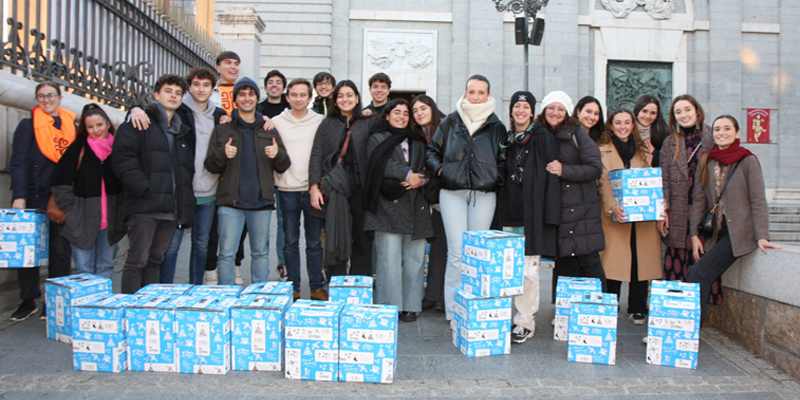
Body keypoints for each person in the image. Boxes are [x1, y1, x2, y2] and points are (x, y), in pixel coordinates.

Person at [425, 74, 507, 321]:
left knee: (478, 253)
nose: (476, 96)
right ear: (465, 93)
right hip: (452, 194)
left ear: (488, 95)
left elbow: (504, 161)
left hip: (483, 196)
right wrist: (443, 170)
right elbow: (431, 152)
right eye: (471, 91)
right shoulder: (450, 122)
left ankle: (475, 307)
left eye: (481, 92)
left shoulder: (497, 126)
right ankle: (454, 313)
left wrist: (493, 177)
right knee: (457, 253)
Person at [688, 115, 781, 315]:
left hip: (739, 232)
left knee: (699, 273)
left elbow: (758, 200)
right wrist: (694, 235)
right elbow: (699, 200)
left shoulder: (747, 160)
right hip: (716, 232)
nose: (721, 133)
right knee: (698, 273)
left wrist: (762, 236)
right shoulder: (707, 160)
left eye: (727, 129)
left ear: (737, 132)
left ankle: (690, 332)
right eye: (717, 129)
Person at [112, 74, 196, 294]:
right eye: (169, 91)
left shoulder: (181, 130)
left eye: (178, 93)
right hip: (145, 206)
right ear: (157, 95)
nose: (174, 96)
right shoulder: (139, 122)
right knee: (137, 259)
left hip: (170, 208)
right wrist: (144, 188)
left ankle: (148, 309)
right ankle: (129, 307)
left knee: (156, 259)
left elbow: (186, 171)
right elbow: (122, 159)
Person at [204, 77, 290, 286]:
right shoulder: (223, 129)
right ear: (235, 99)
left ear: (256, 97)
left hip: (261, 200)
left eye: (250, 94)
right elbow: (210, 165)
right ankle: (226, 296)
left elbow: (284, 164)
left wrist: (276, 154)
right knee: (226, 253)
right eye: (241, 94)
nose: (246, 98)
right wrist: (223, 154)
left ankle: (259, 295)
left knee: (260, 253)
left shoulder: (268, 128)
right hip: (230, 201)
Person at [153, 67, 228, 285]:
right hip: (182, 191)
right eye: (196, 84)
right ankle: (166, 288)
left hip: (209, 191)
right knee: (172, 246)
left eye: (206, 85)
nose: (201, 89)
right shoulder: (179, 112)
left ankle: (195, 289)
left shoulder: (219, 116)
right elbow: (153, 111)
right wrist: (135, 111)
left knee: (201, 244)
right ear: (189, 87)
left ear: (212, 88)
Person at [8, 81, 75, 321]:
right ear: (37, 99)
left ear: (60, 97)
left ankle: (53, 301)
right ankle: (28, 300)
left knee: (59, 251)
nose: (47, 100)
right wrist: (19, 196)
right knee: (27, 250)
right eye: (41, 96)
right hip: (34, 194)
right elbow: (18, 162)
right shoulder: (28, 126)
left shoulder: (71, 126)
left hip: (62, 196)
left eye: (51, 95)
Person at [497, 91, 560, 343]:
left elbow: (551, 176)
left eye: (526, 106)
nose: (521, 110)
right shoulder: (507, 138)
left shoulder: (542, 136)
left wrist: (549, 215)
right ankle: (502, 316)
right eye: (517, 106)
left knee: (528, 270)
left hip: (531, 213)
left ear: (532, 112)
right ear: (511, 111)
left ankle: (525, 321)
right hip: (507, 211)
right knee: (506, 268)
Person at [363, 99, 433, 322]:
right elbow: (379, 164)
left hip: (416, 205)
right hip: (386, 205)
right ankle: (390, 306)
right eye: (397, 112)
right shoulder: (377, 139)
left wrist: (420, 180)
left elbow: (428, 166)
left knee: (415, 259)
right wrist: (406, 175)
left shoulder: (418, 141)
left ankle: (411, 306)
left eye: (405, 113)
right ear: (387, 116)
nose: (402, 116)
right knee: (388, 260)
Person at [539, 91, 607, 305]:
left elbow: (595, 168)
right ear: (544, 110)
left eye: (560, 109)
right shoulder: (540, 133)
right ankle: (563, 309)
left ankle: (602, 307)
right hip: (556, 207)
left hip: (580, 209)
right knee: (563, 260)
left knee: (589, 259)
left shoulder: (577, 133)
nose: (555, 112)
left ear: (567, 112)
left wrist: (564, 170)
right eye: (551, 108)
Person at [596, 109, 662, 325]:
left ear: (633, 125)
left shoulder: (645, 150)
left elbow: (652, 180)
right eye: (618, 122)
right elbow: (603, 182)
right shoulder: (601, 150)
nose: (623, 126)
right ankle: (611, 304)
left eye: (627, 122)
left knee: (639, 264)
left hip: (643, 218)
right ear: (611, 126)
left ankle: (637, 306)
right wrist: (612, 206)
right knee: (614, 263)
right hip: (616, 215)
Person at [308, 80, 379, 278]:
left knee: (361, 239)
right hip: (334, 190)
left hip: (360, 188)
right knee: (334, 235)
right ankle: (336, 285)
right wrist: (314, 187)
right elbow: (316, 155)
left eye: (349, 95)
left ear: (357, 98)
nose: (345, 99)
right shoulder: (327, 124)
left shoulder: (369, 122)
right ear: (335, 100)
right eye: (340, 96)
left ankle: (359, 284)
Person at [51, 104, 126, 280]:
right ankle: (84, 306)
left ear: (108, 124)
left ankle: (101, 307)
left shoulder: (119, 150)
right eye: (90, 127)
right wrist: (70, 211)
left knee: (105, 267)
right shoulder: (78, 149)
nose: (96, 130)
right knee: (83, 269)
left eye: (99, 125)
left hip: (111, 222)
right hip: (81, 220)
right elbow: (59, 181)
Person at [659, 95, 718, 303]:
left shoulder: (712, 137)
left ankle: (696, 313)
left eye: (687, 110)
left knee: (700, 259)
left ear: (697, 111)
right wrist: (663, 210)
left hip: (702, 212)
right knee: (675, 261)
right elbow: (664, 178)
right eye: (678, 112)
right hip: (677, 210)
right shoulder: (670, 142)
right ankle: (672, 312)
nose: (683, 115)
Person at [271, 78, 326, 300]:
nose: (298, 99)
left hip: (312, 189)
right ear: (287, 97)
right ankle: (292, 287)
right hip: (286, 189)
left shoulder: (320, 121)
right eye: (294, 95)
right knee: (290, 242)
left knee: (314, 242)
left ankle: (316, 286)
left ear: (310, 97)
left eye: (303, 95)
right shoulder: (275, 121)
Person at [409, 94, 447, 312]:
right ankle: (434, 294)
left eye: (423, 108)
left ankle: (440, 296)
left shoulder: (445, 129)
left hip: (447, 196)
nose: (419, 113)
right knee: (438, 246)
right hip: (431, 199)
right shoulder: (419, 134)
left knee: (445, 247)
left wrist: (428, 177)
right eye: (415, 111)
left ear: (432, 108)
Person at [256, 70, 290, 279]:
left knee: (283, 222)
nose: (274, 85)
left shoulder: (289, 110)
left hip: (283, 171)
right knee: (261, 221)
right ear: (266, 86)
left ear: (283, 88)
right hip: (263, 173)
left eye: (278, 83)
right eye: (271, 82)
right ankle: (260, 265)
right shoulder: (257, 110)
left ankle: (282, 263)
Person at [633, 94, 669, 167]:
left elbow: (668, 164)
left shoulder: (662, 134)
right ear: (637, 111)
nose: (648, 116)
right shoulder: (626, 131)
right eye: (644, 111)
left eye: (653, 113)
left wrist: (655, 153)